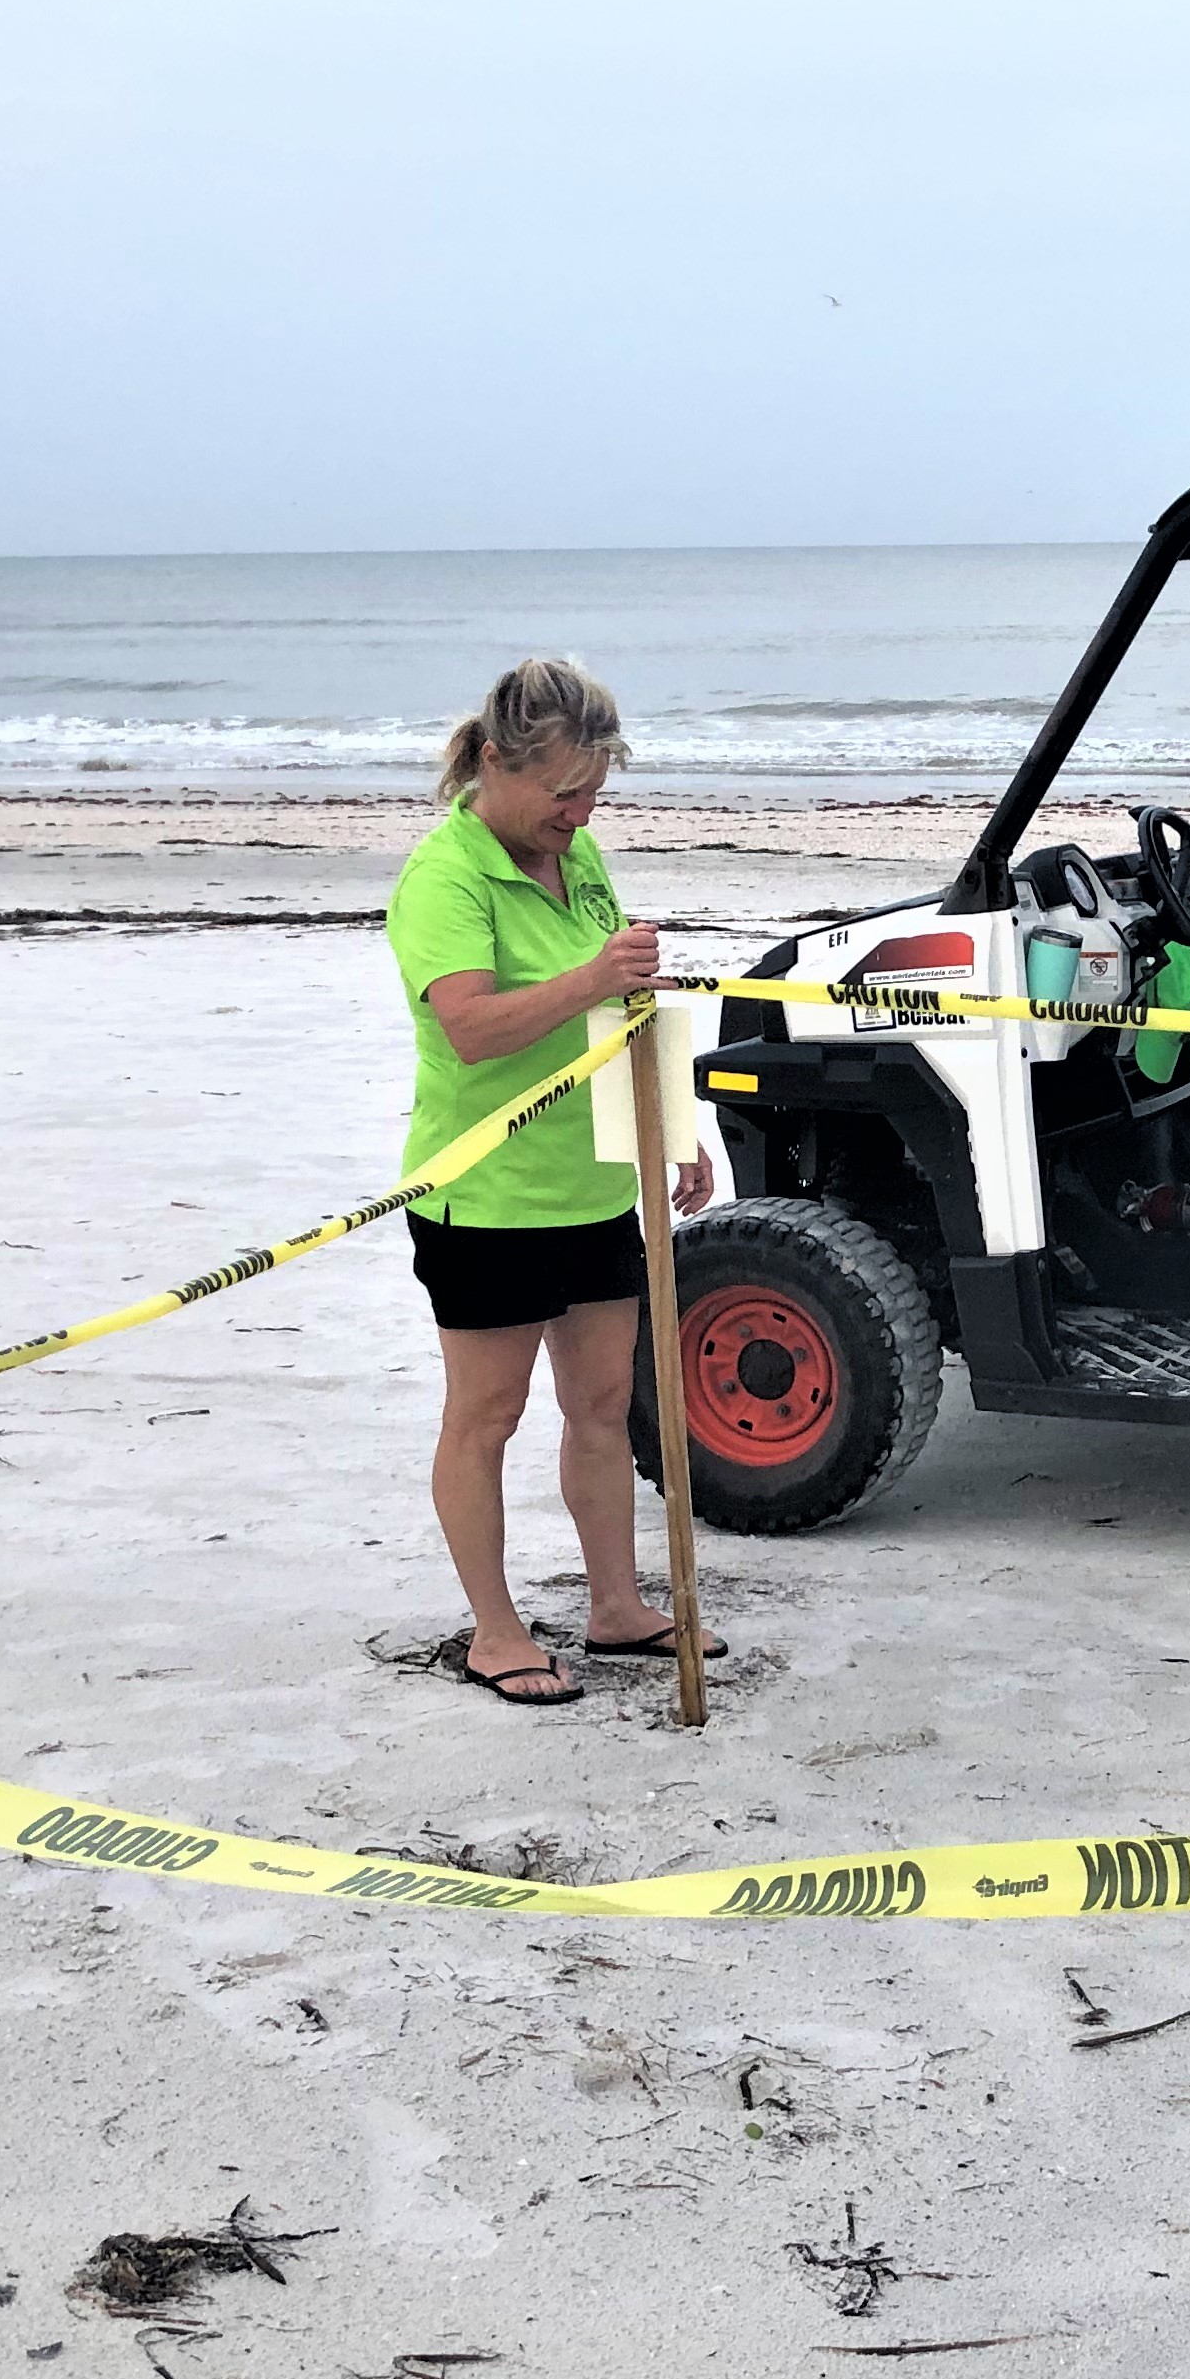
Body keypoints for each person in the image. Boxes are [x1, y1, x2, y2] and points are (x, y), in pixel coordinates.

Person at [385, 657, 716, 1707]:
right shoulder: (444, 876)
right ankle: (493, 1630)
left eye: (594, 794)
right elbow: (471, 1029)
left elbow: (621, 1007)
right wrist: (589, 978)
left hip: (590, 1178)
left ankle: (615, 1606)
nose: (579, 813)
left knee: (605, 1402)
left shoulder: (576, 857)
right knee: (487, 1414)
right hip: (481, 1194)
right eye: (564, 793)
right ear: (495, 763)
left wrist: (674, 1125)